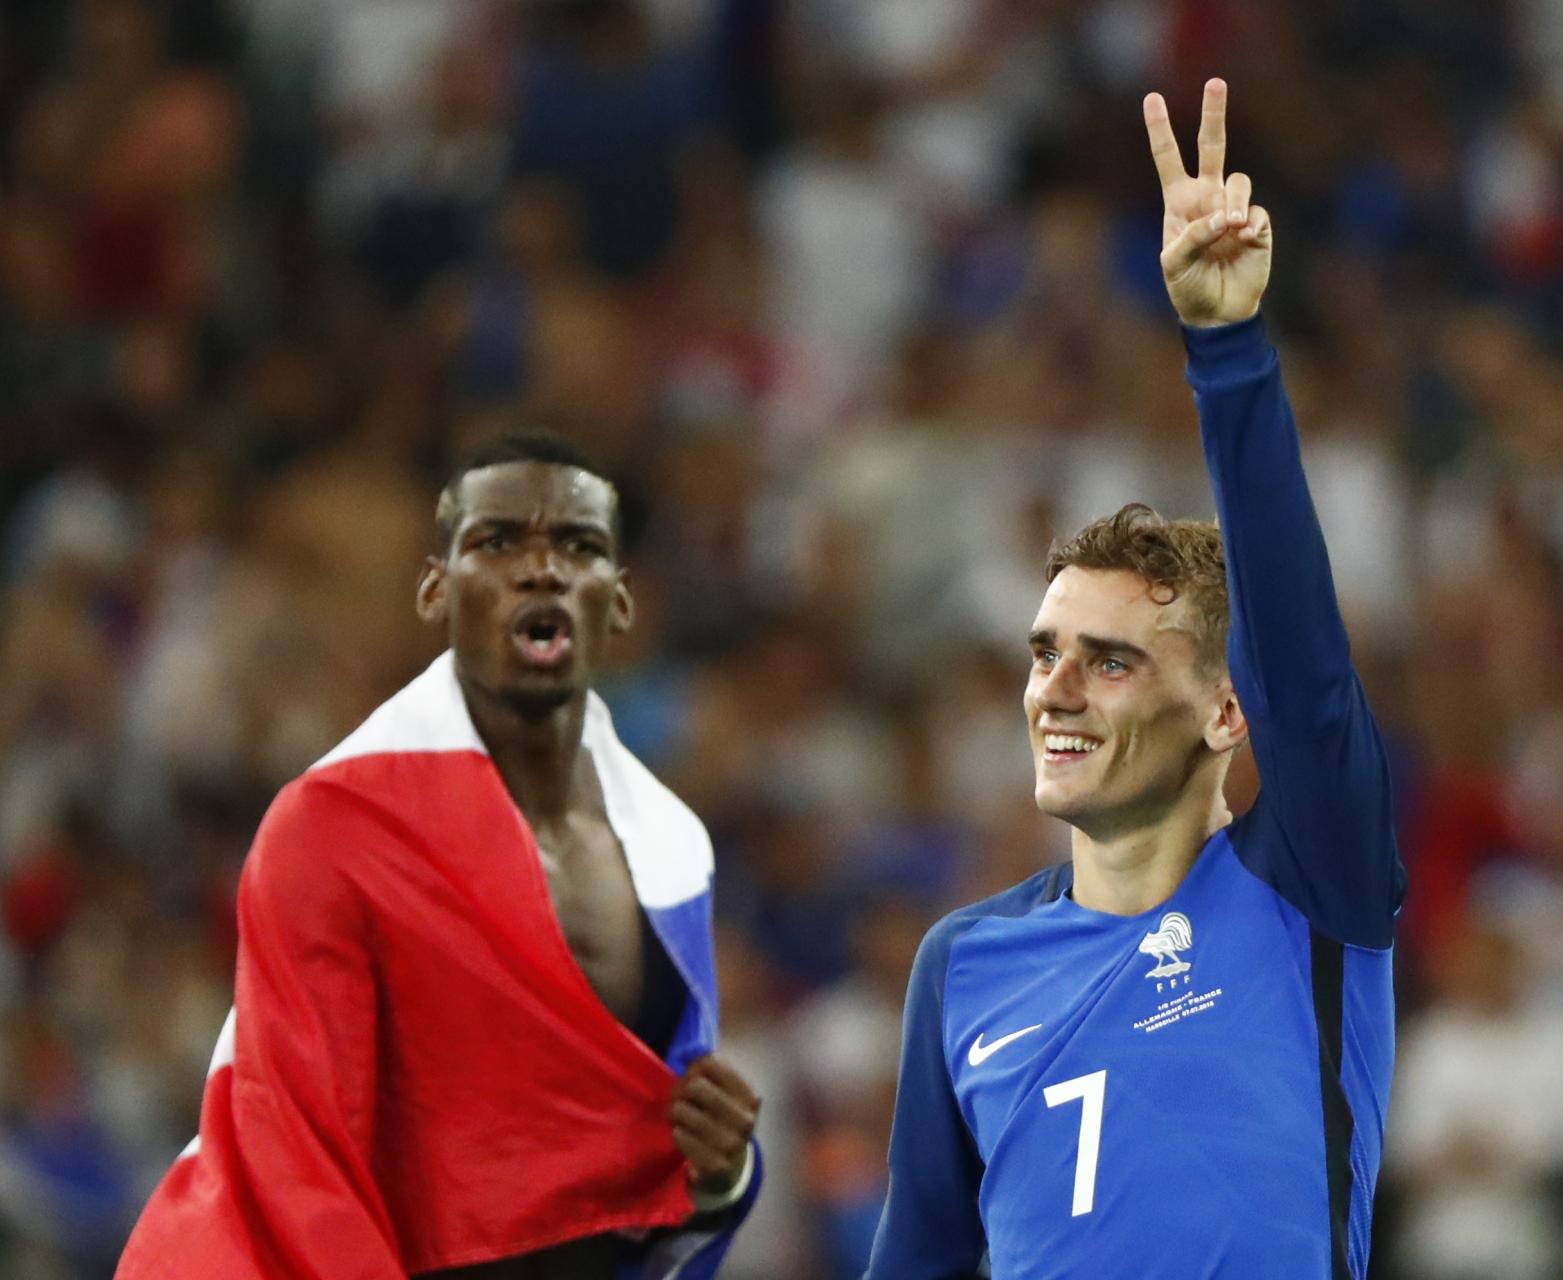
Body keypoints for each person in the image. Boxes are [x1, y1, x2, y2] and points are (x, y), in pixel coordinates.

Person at [863, 79, 1405, 1279]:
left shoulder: (1307, 885)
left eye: (1109, 659)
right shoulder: (959, 965)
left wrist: (1225, 350)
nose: (1054, 686)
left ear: (1224, 709)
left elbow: (1307, 678)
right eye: (1045, 651)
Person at [117, 433, 762, 1279]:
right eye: (497, 542)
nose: (540, 570)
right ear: (434, 589)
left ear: (622, 599)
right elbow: (295, 1155)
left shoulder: (674, 847)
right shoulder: (333, 826)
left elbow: (625, 1171)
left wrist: (721, 1178)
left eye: (579, 545)